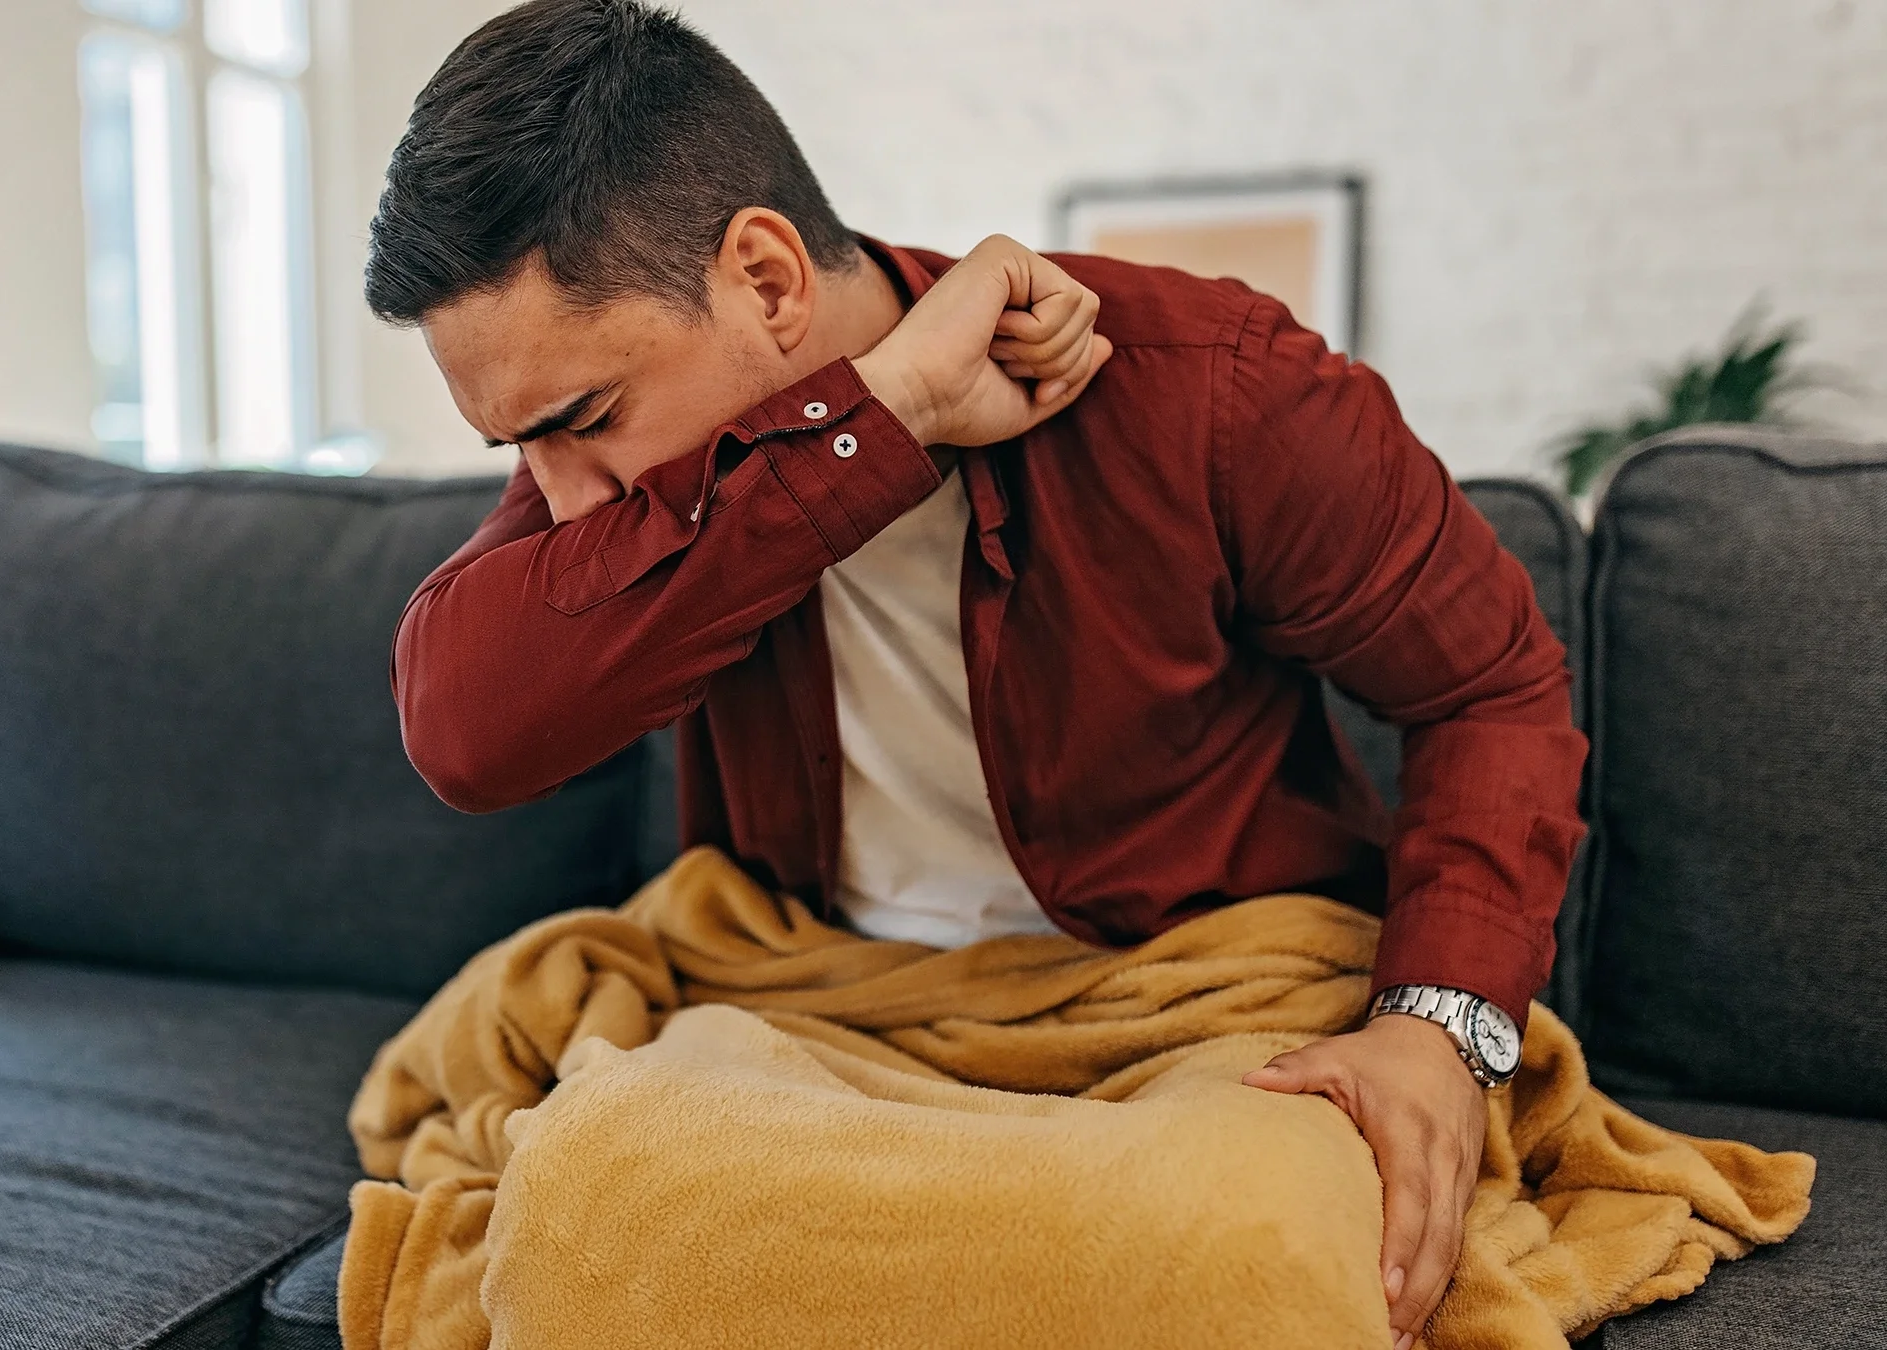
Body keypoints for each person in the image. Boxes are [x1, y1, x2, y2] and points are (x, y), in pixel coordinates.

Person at [367, 2, 1587, 1345]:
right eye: (516, 451)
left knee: (1253, 1249)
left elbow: (1491, 687)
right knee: (587, 1208)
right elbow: (464, 729)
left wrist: (1434, 1029)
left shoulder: (1211, 387)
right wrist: (883, 420)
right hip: (821, 1003)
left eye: (586, 420)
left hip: (1199, 1000)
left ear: (766, 281)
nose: (563, 500)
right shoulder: (603, 494)